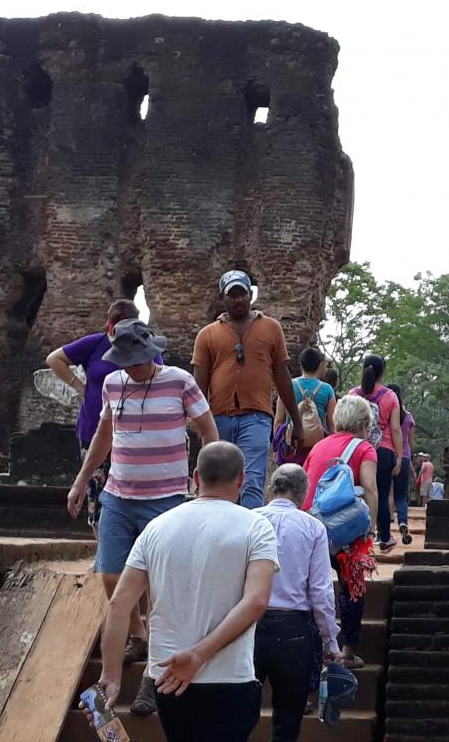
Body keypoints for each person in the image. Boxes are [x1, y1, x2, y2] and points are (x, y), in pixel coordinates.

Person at [67, 319, 219, 716]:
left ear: (151, 355)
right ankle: (139, 634)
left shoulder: (179, 382)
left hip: (165, 498)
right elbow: (103, 435)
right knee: (111, 576)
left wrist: (209, 481)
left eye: (137, 362)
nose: (131, 369)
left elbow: (208, 430)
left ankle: (154, 673)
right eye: (126, 362)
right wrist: (82, 480)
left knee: (161, 586)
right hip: (119, 493)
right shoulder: (113, 383)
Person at [94, 441, 277, 742]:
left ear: (196, 478)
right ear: (242, 479)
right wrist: (198, 655)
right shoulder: (256, 527)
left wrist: (111, 675)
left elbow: (119, 604)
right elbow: (256, 601)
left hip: (168, 679)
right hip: (229, 678)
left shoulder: (156, 528)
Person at [46, 299, 161, 535]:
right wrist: (79, 386)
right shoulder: (96, 343)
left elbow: (160, 375)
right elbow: (54, 359)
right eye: (114, 326)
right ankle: (102, 549)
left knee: (131, 497)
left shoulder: (145, 347)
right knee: (96, 496)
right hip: (93, 429)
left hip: (132, 434)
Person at [192, 270, 303, 509]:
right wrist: (200, 424)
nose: (238, 300)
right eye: (232, 295)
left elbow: (282, 377)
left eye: (242, 293)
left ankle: (249, 528)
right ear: (222, 298)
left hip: (257, 416)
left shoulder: (271, 328)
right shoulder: (207, 335)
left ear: (251, 295)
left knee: (252, 481)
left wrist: (296, 422)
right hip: (219, 417)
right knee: (218, 480)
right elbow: (198, 388)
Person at [254, 465, 342, 742]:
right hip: (293, 628)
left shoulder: (249, 520)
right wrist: (330, 642)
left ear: (271, 488)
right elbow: (320, 591)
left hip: (247, 623)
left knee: (237, 716)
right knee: (288, 721)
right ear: (304, 493)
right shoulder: (313, 527)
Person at [303, 395, 379, 668]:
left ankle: (317, 649)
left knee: (311, 587)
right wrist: (371, 528)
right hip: (347, 533)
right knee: (352, 588)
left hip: (312, 526)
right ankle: (347, 651)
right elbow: (369, 488)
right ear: (365, 423)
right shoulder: (364, 448)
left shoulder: (319, 446)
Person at [349, 355, 404, 552]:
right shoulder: (390, 396)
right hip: (383, 450)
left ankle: (355, 538)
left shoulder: (353, 394)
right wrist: (399, 456)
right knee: (380, 493)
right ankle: (384, 537)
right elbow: (395, 429)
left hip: (357, 448)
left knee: (356, 493)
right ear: (383, 372)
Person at [272, 347, 336, 467]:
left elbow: (279, 419)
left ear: (300, 364)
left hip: (292, 444)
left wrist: (277, 446)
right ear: (319, 365)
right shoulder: (327, 389)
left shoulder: (288, 385)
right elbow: (331, 422)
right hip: (317, 446)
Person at [386, 384, 415, 545]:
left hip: (388, 454)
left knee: (385, 493)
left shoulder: (387, 415)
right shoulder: (408, 417)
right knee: (401, 496)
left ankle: (385, 528)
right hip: (404, 457)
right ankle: (403, 521)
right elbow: (410, 442)